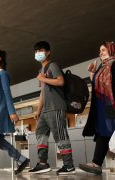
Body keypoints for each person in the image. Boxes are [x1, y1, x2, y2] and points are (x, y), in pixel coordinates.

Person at [29, 41, 76, 175]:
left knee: (60, 136)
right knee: (40, 133)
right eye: (36, 51)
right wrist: (38, 110)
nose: (38, 53)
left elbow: (60, 81)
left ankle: (68, 165)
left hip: (56, 107)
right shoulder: (41, 70)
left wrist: (43, 79)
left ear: (48, 52)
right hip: (45, 110)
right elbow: (43, 92)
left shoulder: (52, 65)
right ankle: (43, 163)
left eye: (41, 50)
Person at [79, 42, 115, 175]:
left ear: (111, 50)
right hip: (101, 106)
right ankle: (96, 163)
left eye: (104, 50)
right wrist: (91, 72)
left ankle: (96, 163)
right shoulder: (101, 67)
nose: (101, 53)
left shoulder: (114, 64)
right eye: (100, 50)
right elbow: (95, 83)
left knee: (109, 132)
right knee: (102, 133)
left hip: (111, 105)